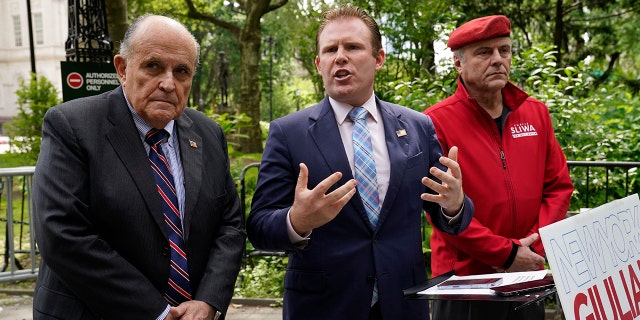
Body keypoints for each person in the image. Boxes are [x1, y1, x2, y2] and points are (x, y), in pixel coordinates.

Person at [247, 5, 474, 320]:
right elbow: (258, 227)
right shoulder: (288, 133)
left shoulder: (418, 126)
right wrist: (297, 221)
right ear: (318, 63)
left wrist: (454, 204)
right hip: (323, 307)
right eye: (330, 50)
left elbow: (448, 215)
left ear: (378, 58)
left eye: (352, 47)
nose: (340, 57)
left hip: (402, 305)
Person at [32, 14, 245, 320]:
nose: (169, 83)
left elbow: (230, 225)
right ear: (122, 68)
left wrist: (209, 300)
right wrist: (157, 312)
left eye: (182, 71)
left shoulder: (208, 134)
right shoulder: (72, 125)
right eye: (153, 66)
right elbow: (62, 234)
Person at [423, 15, 574, 319]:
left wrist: (534, 248)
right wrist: (506, 254)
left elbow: (558, 187)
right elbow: (441, 209)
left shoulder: (535, 113)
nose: (497, 60)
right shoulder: (433, 122)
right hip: (464, 282)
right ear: (458, 64)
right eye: (484, 52)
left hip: (527, 274)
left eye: (504, 51)